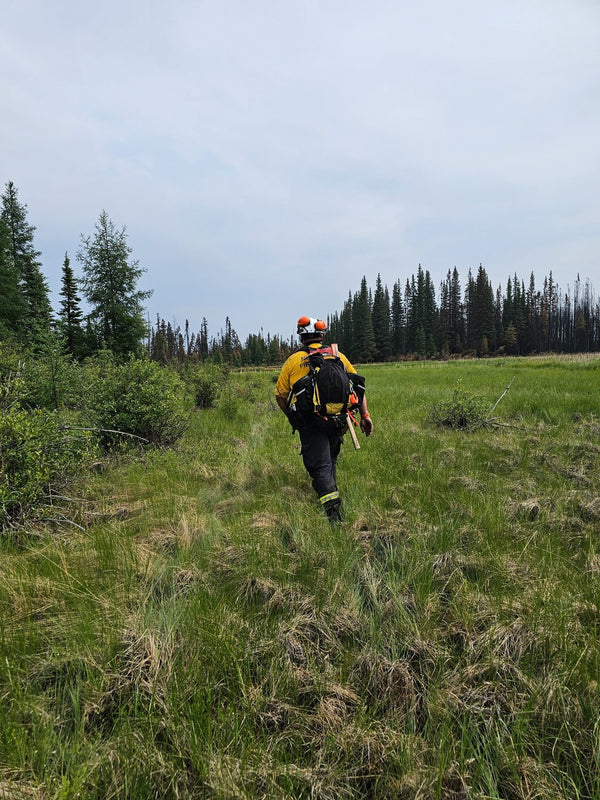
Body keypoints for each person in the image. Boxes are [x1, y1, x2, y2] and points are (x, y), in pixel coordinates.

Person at [275, 316, 373, 522]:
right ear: (321, 335)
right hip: (339, 421)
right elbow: (358, 388)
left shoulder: (294, 361)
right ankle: (330, 495)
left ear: (301, 337)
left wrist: (293, 417)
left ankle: (334, 517)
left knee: (321, 466)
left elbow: (280, 395)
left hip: (311, 423)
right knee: (330, 460)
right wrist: (365, 416)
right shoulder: (338, 356)